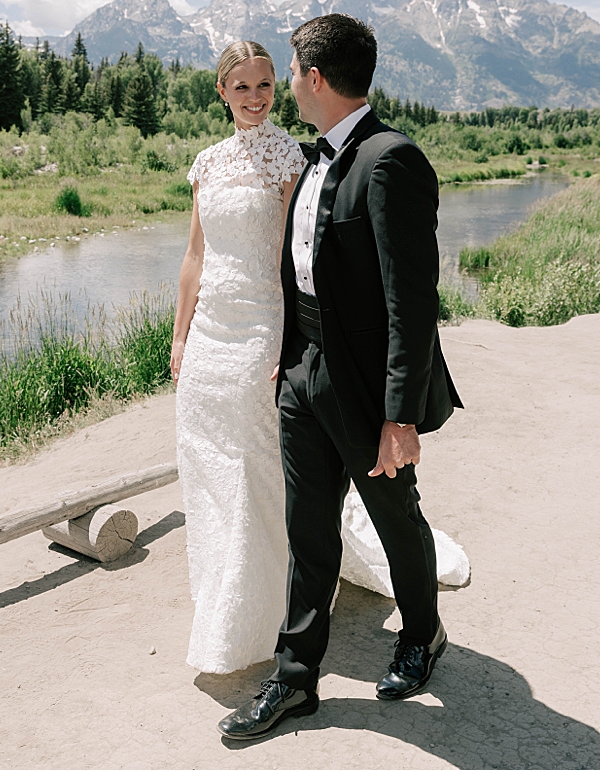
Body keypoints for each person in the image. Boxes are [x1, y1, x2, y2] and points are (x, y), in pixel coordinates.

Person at [171, 41, 468, 678]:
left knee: (391, 509)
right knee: (306, 523)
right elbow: (287, 262)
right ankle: (297, 672)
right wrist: (188, 336)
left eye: (273, 83)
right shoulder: (303, 160)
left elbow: (410, 301)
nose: (261, 97)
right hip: (292, 361)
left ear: (309, 80)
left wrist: (400, 413)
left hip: (347, 373)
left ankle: (423, 632)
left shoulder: (384, 158)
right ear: (222, 92)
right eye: (243, 86)